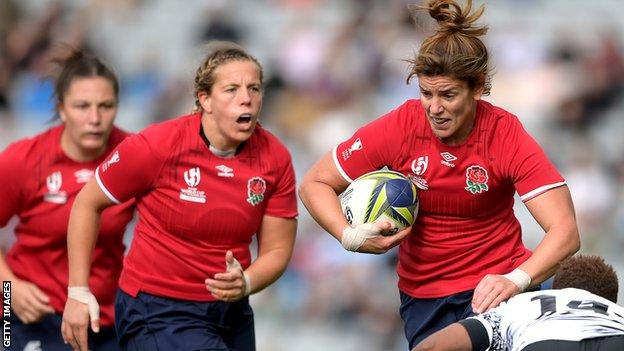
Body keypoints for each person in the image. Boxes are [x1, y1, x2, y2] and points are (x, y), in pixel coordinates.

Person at [298, 0, 580, 348]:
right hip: (424, 299)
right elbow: (316, 182)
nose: (434, 108)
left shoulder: (504, 134)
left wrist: (516, 279)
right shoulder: (401, 126)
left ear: (477, 88)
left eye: (447, 95)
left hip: (498, 289)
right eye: (426, 93)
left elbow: (565, 232)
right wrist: (349, 236)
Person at [61, 41, 298, 351]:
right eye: (231, 90)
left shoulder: (275, 158)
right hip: (159, 310)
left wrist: (248, 282)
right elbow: (88, 203)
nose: (246, 99)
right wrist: (78, 291)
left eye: (254, 89)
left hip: (232, 310)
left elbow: (278, 248)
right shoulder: (159, 145)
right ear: (205, 100)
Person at [0, 47, 134, 350]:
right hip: (25, 313)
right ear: (61, 109)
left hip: (106, 316)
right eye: (82, 106)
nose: (95, 118)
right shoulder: (24, 160)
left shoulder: (132, 157)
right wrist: (10, 289)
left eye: (106, 106)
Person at [413, 255, 624, 351]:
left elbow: (431, 346)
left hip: (544, 343)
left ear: (555, 291)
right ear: (608, 301)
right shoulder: (618, 315)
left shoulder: (523, 305)